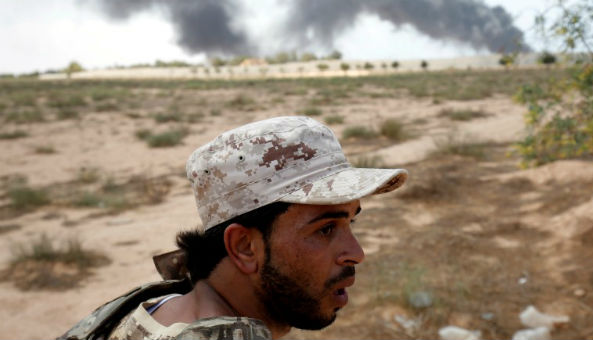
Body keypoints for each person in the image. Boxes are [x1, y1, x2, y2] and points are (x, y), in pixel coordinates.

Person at [59, 116, 408, 340]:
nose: (356, 254)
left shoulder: (155, 306)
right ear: (243, 246)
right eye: (325, 229)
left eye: (351, 220)